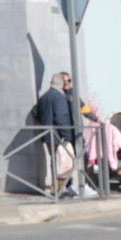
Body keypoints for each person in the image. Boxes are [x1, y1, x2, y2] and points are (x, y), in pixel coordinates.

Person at [30, 71, 79, 199]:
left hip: (47, 136)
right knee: (62, 163)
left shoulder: (44, 97)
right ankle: (58, 191)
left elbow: (35, 113)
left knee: (55, 161)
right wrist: (67, 136)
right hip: (58, 136)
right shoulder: (59, 97)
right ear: (61, 84)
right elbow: (61, 118)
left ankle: (56, 189)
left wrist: (46, 122)